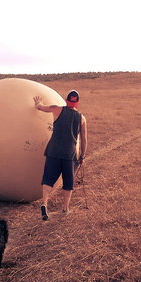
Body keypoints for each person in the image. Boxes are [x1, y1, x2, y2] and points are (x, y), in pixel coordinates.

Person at [33, 90, 87, 220]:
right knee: (68, 183)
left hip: (53, 151)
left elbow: (40, 107)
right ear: (77, 103)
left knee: (48, 179)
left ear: (66, 100)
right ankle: (65, 208)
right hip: (70, 155)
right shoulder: (82, 118)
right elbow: (84, 140)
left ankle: (44, 203)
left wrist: (38, 102)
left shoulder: (56, 109)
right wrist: (82, 156)